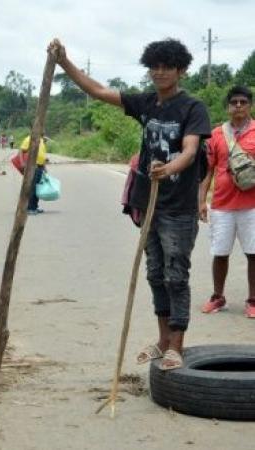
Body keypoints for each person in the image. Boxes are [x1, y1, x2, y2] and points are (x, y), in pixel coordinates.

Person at [49, 38, 211, 370]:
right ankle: (162, 340)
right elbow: (97, 92)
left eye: (167, 66)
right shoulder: (146, 102)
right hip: (147, 203)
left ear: (180, 70)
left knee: (176, 275)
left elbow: (192, 150)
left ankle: (176, 346)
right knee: (154, 274)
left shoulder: (193, 108)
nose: (160, 72)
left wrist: (170, 168)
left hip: (178, 208)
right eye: (155, 66)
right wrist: (65, 63)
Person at [199, 86, 255, 317]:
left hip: (252, 206)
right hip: (222, 205)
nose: (239, 106)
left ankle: (252, 300)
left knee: (253, 253)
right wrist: (201, 200)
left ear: (250, 105)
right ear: (228, 107)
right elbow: (207, 171)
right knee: (220, 253)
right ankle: (218, 297)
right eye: (234, 102)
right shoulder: (216, 135)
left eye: (243, 102)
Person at [19, 134, 48, 215]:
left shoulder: (41, 140)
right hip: (33, 166)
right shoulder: (29, 139)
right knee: (33, 188)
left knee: (37, 188)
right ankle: (30, 208)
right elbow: (21, 151)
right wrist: (22, 162)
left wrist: (45, 168)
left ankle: (35, 207)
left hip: (40, 167)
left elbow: (42, 155)